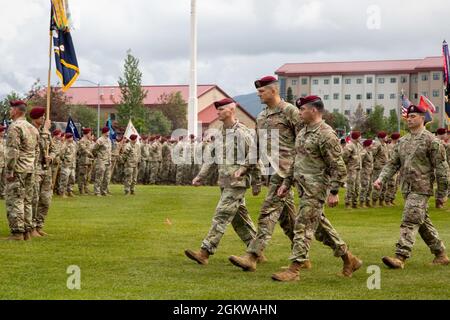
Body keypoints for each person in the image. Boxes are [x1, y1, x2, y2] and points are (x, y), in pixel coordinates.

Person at [271, 96, 362, 281]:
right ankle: (349, 259)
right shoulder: (303, 132)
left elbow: (338, 166)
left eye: (302, 109)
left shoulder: (326, 134)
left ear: (314, 110)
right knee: (321, 230)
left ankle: (294, 270)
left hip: (316, 189)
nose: (299, 113)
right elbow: (297, 161)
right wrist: (286, 184)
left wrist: (334, 191)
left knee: (302, 226)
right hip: (303, 187)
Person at [229, 76, 302, 272]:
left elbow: (305, 139)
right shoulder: (262, 117)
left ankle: (252, 256)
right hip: (274, 172)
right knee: (289, 220)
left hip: (292, 170)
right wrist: (245, 167)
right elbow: (257, 145)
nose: (258, 94)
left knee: (267, 212)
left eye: (261, 91)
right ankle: (310, 255)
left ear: (273, 91)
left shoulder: (290, 112)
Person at [185, 98, 259, 265]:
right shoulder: (219, 133)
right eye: (217, 110)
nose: (218, 112)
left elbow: (254, 157)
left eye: (221, 109)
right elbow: (211, 158)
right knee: (239, 219)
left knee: (221, 215)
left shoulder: (242, 132)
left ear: (232, 110)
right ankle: (256, 249)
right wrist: (200, 176)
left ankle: (204, 252)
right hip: (224, 182)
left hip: (237, 182)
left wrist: (257, 182)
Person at [374, 104, 449, 269]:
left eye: (413, 116)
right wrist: (381, 179)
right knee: (421, 222)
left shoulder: (432, 141)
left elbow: (442, 169)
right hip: (406, 188)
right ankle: (440, 254)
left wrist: (442, 194)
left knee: (409, 219)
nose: (409, 119)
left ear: (423, 118)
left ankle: (400, 256)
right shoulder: (403, 141)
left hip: (422, 188)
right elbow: (392, 164)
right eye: (408, 116)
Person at [4, 100, 39, 240]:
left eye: (11, 109)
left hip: (18, 168)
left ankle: (17, 232)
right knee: (27, 200)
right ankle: (28, 231)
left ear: (17, 111)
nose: (9, 111)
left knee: (16, 199)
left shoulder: (15, 127)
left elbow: (13, 151)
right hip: (30, 168)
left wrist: (9, 170)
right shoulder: (32, 128)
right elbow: (37, 151)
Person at [30, 107, 56, 237]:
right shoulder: (30, 130)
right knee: (34, 199)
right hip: (35, 170)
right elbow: (35, 143)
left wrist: (51, 156)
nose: (44, 119)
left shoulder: (47, 133)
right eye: (42, 117)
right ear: (36, 118)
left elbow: (54, 148)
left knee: (45, 200)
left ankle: (39, 225)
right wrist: (45, 131)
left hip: (46, 170)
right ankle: (32, 227)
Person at [343, 131, 362, 209]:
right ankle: (348, 203)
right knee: (351, 186)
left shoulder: (358, 145)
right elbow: (344, 157)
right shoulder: (349, 146)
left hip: (357, 169)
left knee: (357, 187)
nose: (360, 137)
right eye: (360, 136)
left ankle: (354, 203)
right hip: (352, 169)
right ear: (356, 137)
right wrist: (348, 165)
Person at [92, 127, 112, 196]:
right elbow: (94, 149)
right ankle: (97, 192)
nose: (109, 132)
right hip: (101, 161)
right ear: (105, 132)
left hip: (108, 161)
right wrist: (98, 155)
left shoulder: (109, 140)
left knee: (107, 178)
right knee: (99, 177)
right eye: (108, 131)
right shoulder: (100, 140)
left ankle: (104, 191)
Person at [371, 131, 389, 207]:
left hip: (385, 167)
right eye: (386, 136)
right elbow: (372, 154)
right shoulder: (377, 144)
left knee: (384, 185)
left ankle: (381, 201)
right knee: (378, 185)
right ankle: (374, 201)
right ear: (382, 137)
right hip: (378, 167)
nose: (387, 137)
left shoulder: (384, 144)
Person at [384, 132, 401, 206]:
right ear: (396, 138)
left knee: (396, 185)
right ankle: (387, 200)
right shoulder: (390, 146)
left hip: (397, 168)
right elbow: (390, 158)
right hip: (392, 168)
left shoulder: (398, 146)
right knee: (391, 184)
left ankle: (392, 199)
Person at [59, 133, 77, 198]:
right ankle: (62, 192)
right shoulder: (64, 145)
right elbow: (61, 155)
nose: (72, 138)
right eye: (70, 137)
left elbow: (75, 153)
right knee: (64, 179)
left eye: (72, 137)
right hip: (66, 165)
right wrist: (65, 160)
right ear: (67, 138)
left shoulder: (74, 144)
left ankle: (70, 191)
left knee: (72, 178)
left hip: (72, 165)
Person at [77, 128, 94, 195]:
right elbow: (84, 149)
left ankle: (86, 188)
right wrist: (90, 153)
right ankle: (81, 189)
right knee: (82, 175)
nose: (90, 134)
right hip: (83, 161)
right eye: (90, 133)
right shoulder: (82, 141)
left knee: (88, 176)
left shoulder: (89, 141)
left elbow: (91, 148)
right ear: (87, 133)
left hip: (89, 160)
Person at [359, 139, 374, 208]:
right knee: (364, 187)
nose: (372, 145)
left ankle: (367, 201)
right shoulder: (364, 152)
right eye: (371, 144)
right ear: (368, 145)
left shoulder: (370, 152)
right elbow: (359, 161)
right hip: (365, 172)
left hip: (370, 172)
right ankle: (362, 202)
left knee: (370, 187)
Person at [0, 126, 6, 199]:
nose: (3, 132)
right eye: (2, 131)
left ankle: (3, 193)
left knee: (4, 180)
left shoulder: (5, 141)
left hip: (5, 163)